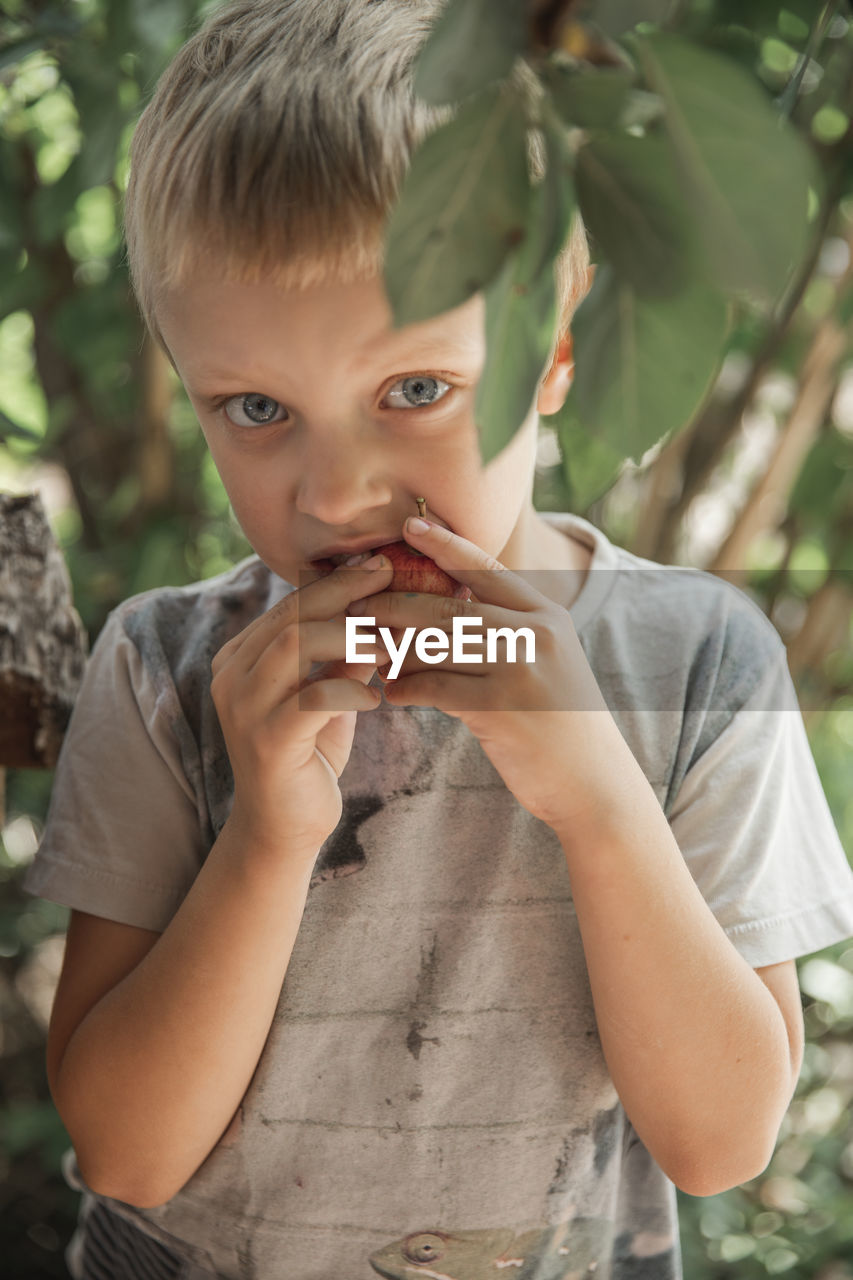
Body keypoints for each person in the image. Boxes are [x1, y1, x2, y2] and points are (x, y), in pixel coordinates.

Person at [24, 2, 853, 1278]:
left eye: (416, 391)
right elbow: (129, 1157)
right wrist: (267, 834)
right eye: (257, 408)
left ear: (556, 352)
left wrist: (596, 799)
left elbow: (718, 1140)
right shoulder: (169, 672)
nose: (338, 491)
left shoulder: (699, 665)